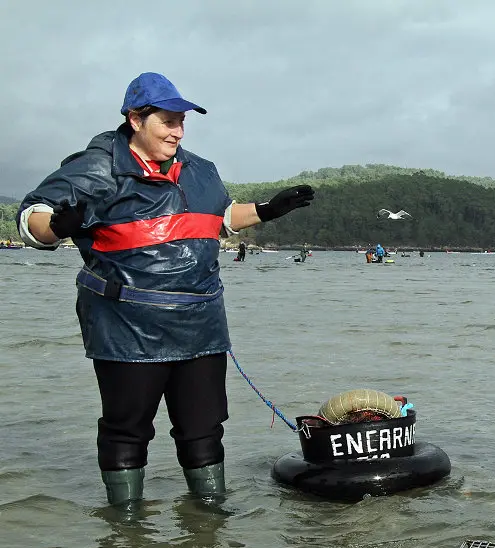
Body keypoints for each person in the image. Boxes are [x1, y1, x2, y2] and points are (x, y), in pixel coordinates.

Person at [16, 72, 316, 507]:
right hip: (127, 329)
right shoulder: (96, 167)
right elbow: (32, 218)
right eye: (168, 121)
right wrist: (57, 227)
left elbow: (220, 218)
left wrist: (268, 210)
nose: (177, 131)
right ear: (136, 119)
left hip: (200, 325)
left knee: (204, 426)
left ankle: (208, 526)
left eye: (182, 122)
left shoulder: (199, 170)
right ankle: (125, 534)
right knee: (127, 428)